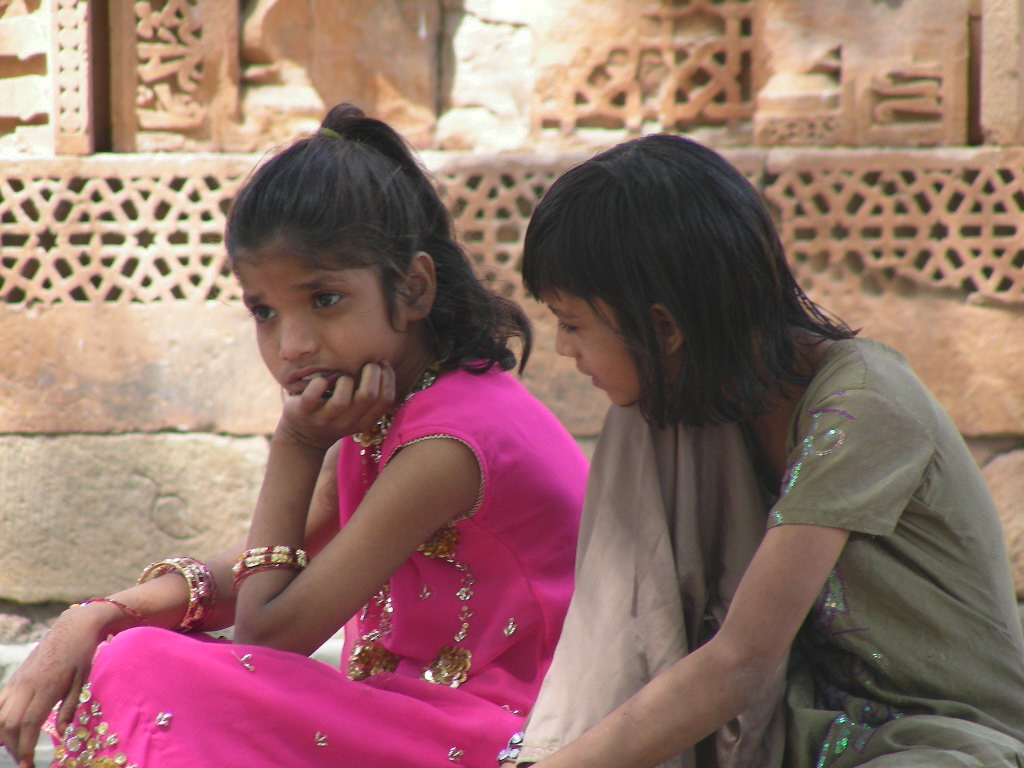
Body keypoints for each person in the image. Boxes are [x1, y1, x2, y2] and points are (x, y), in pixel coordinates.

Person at [0, 104, 587, 768]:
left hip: (516, 741)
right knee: (132, 650)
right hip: (428, 717)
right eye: (264, 312)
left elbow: (269, 633)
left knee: (145, 669)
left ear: (414, 288)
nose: (294, 346)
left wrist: (297, 446)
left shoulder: (447, 445)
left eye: (325, 300)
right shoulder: (401, 411)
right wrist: (98, 615)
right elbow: (266, 565)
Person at [498, 134, 1024, 768]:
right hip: (789, 733)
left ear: (664, 326)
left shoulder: (865, 403)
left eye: (572, 322)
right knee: (646, 407)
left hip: (931, 741)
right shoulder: (689, 406)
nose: (562, 349)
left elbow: (743, 660)